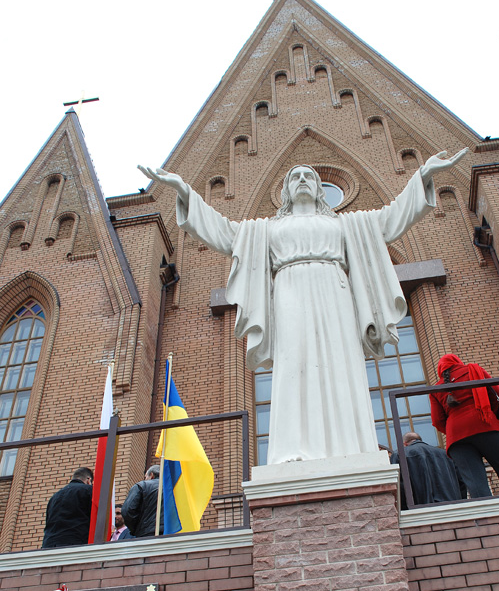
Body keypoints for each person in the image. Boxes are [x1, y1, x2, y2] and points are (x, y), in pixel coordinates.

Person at [139, 149, 467, 465]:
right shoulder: (266, 229)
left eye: (309, 176)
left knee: (340, 362)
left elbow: (391, 220)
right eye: (294, 177)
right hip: (289, 294)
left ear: (319, 188)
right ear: (285, 191)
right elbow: (224, 232)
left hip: (335, 292)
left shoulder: (345, 224)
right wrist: (185, 191)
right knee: (293, 364)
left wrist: (423, 175)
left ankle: (352, 445)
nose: (302, 180)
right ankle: (292, 449)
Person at [430, 354, 499, 499]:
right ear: (457, 362)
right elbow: (496, 393)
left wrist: (454, 431)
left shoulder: (436, 389)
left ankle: (489, 518)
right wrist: (489, 414)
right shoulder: (473, 370)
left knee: (476, 484)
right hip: (486, 425)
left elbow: (438, 421)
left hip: (457, 438)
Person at [392, 431, 466, 508]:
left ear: (405, 444)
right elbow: (461, 482)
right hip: (451, 506)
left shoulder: (399, 455)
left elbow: (399, 486)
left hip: (420, 510)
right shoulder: (445, 454)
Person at [41, 467, 94, 549]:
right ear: (88, 480)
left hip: (49, 545)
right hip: (74, 543)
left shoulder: (54, 497)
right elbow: (95, 517)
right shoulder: (88, 490)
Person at [121, 465, 163, 538]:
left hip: (146, 534)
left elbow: (127, 510)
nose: (145, 479)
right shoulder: (174, 489)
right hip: (171, 535)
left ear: (151, 475)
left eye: (146, 477)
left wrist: (135, 529)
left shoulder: (142, 485)